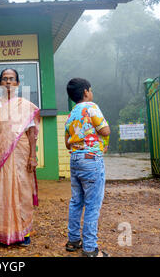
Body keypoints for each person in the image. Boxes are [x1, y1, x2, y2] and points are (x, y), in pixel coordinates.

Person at [0, 68, 40, 247]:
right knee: (1, 189)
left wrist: (32, 155)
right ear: (0, 83)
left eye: (12, 79)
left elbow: (31, 132)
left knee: (22, 189)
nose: (8, 82)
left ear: (17, 83)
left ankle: (24, 232)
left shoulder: (24, 105)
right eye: (5, 79)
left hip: (21, 151)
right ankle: (2, 231)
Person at [64, 78, 110, 257]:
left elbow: (67, 143)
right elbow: (105, 130)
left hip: (75, 159)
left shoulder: (71, 114)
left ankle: (73, 240)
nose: (91, 93)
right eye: (90, 90)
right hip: (91, 159)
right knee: (92, 205)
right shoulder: (91, 107)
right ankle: (90, 249)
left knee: (76, 201)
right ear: (85, 92)